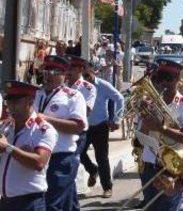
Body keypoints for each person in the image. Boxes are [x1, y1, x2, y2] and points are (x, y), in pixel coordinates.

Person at [137, 58, 183, 211]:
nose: (164, 83)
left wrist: (161, 128)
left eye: (169, 78)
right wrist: (145, 120)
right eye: (160, 78)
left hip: (172, 165)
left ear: (178, 79)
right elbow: (140, 137)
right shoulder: (150, 102)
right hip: (150, 163)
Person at [34, 55, 87, 211]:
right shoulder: (36, 94)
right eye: (47, 70)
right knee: (67, 204)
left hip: (61, 157)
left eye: (55, 71)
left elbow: (78, 126)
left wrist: (47, 120)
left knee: (51, 205)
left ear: (65, 74)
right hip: (39, 155)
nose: (49, 74)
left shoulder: (73, 96)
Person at [0, 81, 57, 210]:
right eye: (9, 102)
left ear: (30, 102)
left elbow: (39, 163)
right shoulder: (6, 126)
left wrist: (9, 148)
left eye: (16, 102)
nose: (10, 107)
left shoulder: (43, 129)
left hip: (29, 202)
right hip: (5, 201)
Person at [79, 61, 124, 198]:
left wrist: (116, 118)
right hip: (84, 126)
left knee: (102, 157)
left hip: (100, 126)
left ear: (93, 72)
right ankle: (93, 170)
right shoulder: (79, 86)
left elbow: (119, 98)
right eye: (83, 76)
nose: (86, 79)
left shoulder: (103, 85)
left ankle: (107, 187)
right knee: (78, 152)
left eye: (87, 75)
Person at [64, 55, 97, 210]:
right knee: (64, 174)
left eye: (71, 68)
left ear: (80, 69)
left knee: (69, 171)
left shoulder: (88, 88)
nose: (67, 71)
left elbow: (86, 112)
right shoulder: (60, 86)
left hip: (77, 133)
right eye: (67, 68)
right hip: (59, 133)